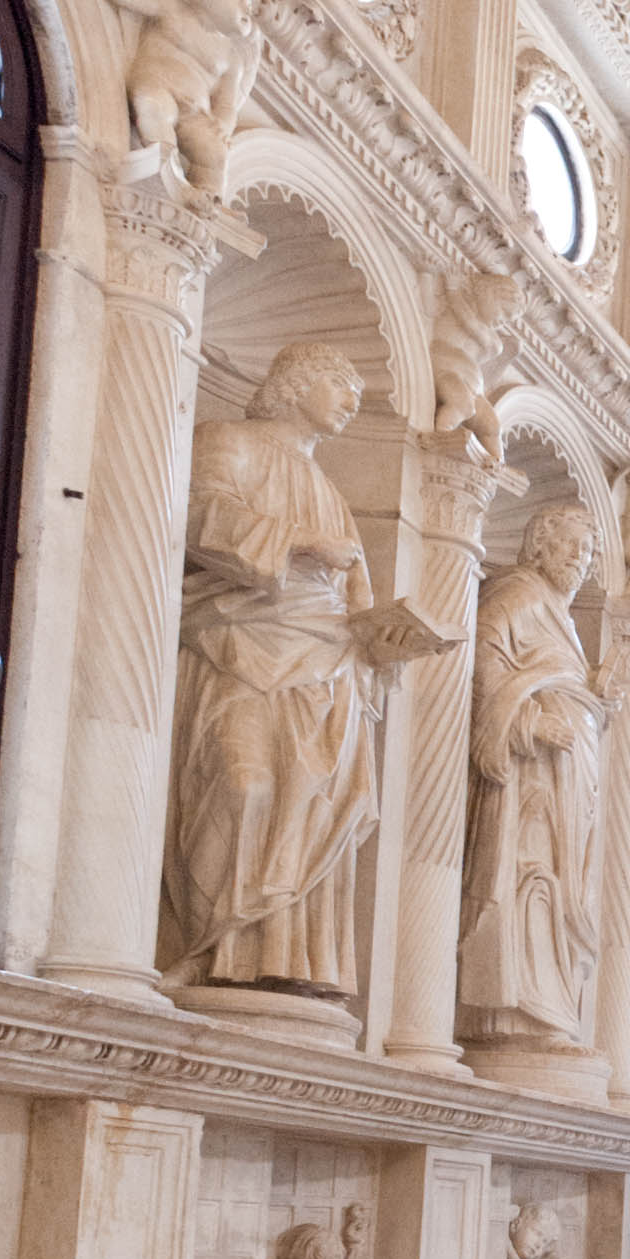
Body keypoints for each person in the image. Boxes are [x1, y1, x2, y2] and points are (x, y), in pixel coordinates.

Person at [165, 342, 432, 1006]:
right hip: (240, 645)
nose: (351, 403)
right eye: (340, 386)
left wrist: (384, 644)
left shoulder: (333, 494)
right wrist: (300, 541)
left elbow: (357, 601)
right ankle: (210, 949)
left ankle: (284, 961)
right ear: (294, 383)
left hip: (327, 668)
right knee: (243, 783)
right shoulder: (228, 441)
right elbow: (197, 517)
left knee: (314, 806)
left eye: (357, 396)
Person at [460, 502, 605, 1050]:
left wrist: (594, 696)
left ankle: (549, 1009)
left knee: (557, 883)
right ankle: (516, 1013)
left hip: (565, 779)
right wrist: (529, 722)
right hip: (529, 775)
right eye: (570, 544)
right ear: (539, 545)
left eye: (586, 550)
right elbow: (483, 664)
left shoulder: (560, 616)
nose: (579, 557)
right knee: (528, 874)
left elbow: (557, 681)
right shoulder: (519, 595)